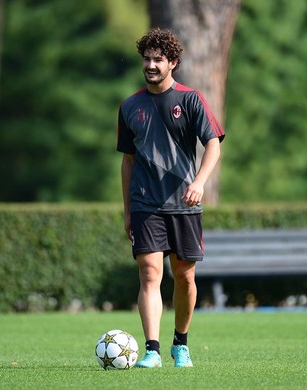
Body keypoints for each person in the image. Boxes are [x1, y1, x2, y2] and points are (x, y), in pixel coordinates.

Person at [116, 27, 225, 368]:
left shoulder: (191, 100)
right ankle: (152, 350)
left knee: (185, 277)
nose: (150, 65)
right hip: (146, 204)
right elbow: (128, 161)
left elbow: (213, 144)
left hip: (185, 203)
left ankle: (181, 342)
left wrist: (200, 181)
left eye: (158, 59)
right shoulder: (130, 106)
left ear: (173, 63)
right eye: (146, 59)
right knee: (150, 274)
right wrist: (127, 210)